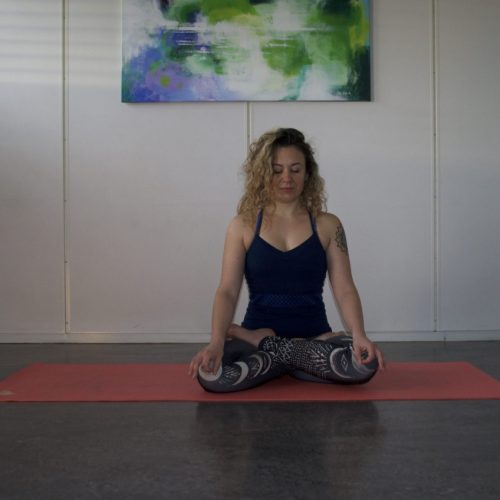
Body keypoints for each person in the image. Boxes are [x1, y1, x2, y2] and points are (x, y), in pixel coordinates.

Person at [188, 128, 385, 392]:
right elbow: (227, 290)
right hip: (296, 346)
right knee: (210, 374)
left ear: (308, 173)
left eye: (295, 169)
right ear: (263, 173)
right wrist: (216, 342)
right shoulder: (242, 226)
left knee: (365, 363)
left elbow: (345, 288)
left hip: (314, 336)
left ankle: (268, 347)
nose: (286, 178)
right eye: (276, 170)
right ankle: (296, 359)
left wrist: (359, 334)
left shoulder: (328, 225)